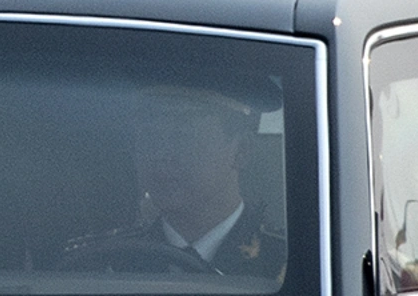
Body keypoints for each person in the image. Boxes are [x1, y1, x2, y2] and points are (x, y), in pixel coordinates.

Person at [60, 70, 286, 278]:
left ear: (242, 151)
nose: (161, 155)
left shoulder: (288, 263)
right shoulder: (100, 264)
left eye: (183, 138)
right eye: (148, 138)